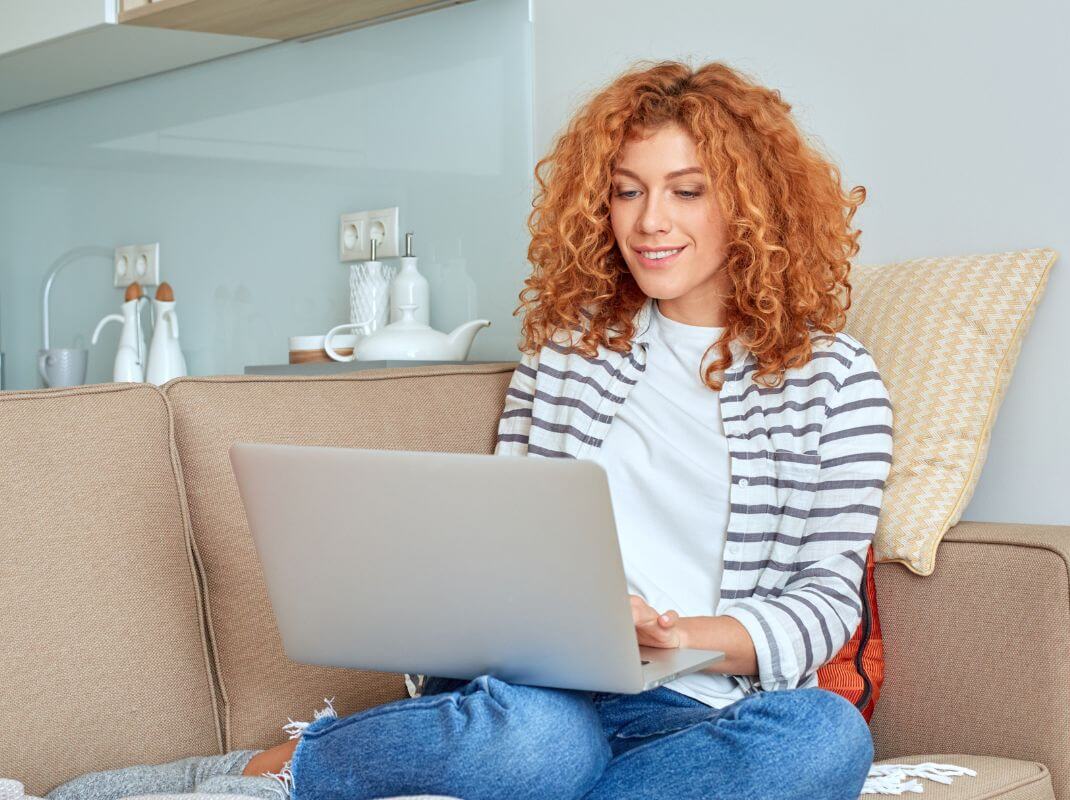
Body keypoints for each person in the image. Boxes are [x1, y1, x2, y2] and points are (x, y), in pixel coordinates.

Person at [49, 58, 891, 800]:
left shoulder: (835, 380)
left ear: (751, 204)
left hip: (692, 705)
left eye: (686, 190)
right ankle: (274, 772)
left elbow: (824, 604)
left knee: (824, 738)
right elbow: (504, 537)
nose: (649, 223)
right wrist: (584, 623)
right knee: (536, 746)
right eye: (628, 190)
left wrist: (674, 639)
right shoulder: (571, 352)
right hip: (537, 692)